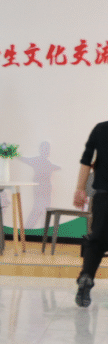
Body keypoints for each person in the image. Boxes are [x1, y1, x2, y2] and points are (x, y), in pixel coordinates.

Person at [74, 119, 108, 307]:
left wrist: (80, 189)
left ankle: (86, 277)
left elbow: (86, 160)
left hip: (103, 196)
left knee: (97, 241)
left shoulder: (101, 128)